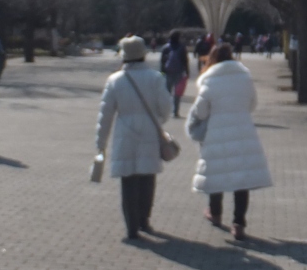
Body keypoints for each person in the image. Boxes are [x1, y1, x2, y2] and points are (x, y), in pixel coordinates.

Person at [186, 44, 272, 241]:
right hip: (243, 130)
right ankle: (239, 223)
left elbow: (201, 111)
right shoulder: (244, 76)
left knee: (216, 172)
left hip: (216, 132)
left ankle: (215, 213)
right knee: (242, 178)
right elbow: (252, 104)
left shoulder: (209, 79)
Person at [97, 35, 172, 240]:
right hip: (149, 132)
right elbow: (166, 107)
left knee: (128, 181)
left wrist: (101, 142)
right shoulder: (155, 78)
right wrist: (158, 121)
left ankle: (131, 227)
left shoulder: (114, 80)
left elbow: (105, 114)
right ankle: (144, 220)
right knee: (147, 178)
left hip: (125, 134)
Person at [159, 30, 190, 118]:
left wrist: (162, 72)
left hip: (168, 72)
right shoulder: (182, 47)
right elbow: (185, 61)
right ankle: (175, 111)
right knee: (177, 94)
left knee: (167, 92)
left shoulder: (165, 47)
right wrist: (187, 71)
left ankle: (165, 110)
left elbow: (162, 61)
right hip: (179, 72)